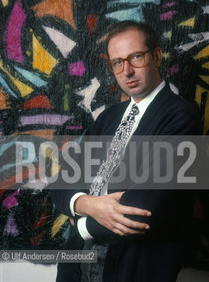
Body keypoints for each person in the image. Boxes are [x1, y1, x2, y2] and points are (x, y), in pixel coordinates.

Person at [51, 20, 200, 282]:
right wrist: (87, 205)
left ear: (155, 56)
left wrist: (81, 222)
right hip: (77, 259)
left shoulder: (181, 117)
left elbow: (142, 208)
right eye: (118, 62)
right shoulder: (108, 118)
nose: (127, 70)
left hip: (134, 264)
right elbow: (62, 183)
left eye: (136, 57)